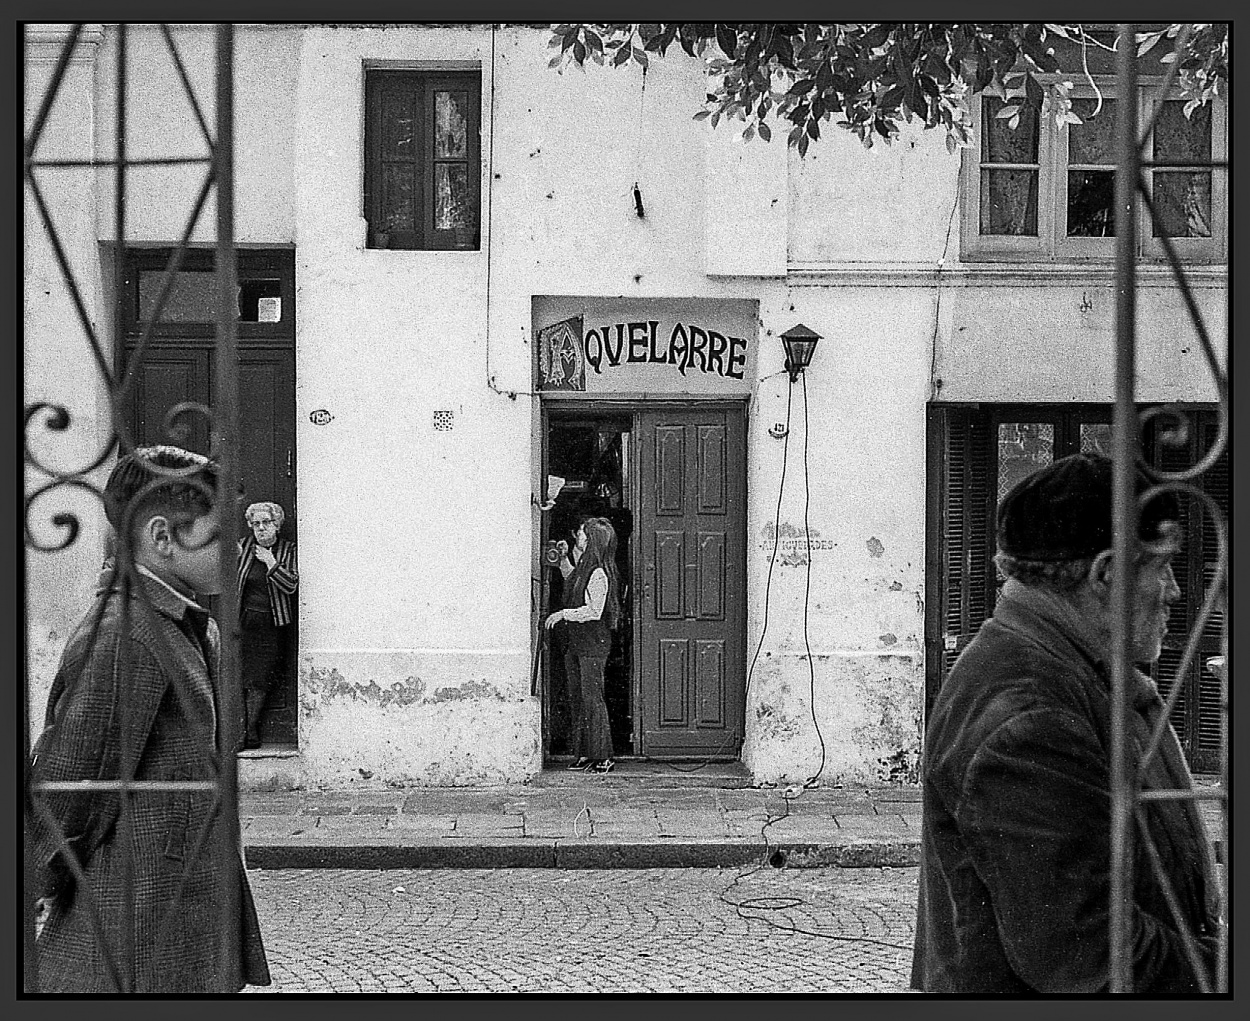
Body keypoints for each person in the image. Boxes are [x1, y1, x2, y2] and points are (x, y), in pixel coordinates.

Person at [912, 452, 1221, 994]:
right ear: (1106, 574)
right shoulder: (1030, 716)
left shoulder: (1077, 674)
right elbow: (1090, 951)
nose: (1175, 591)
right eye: (1162, 566)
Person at [28, 445, 271, 993]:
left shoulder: (183, 620)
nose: (235, 547)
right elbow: (70, 784)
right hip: (133, 921)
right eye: (221, 532)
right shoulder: (128, 633)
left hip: (176, 908)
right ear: (162, 538)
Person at [545, 517, 621, 773]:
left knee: (592, 699)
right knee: (578, 698)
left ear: (591, 540)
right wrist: (565, 560)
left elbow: (594, 610)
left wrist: (563, 614)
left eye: (581, 533)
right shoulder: (585, 567)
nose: (577, 535)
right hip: (578, 644)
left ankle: (603, 756)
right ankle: (585, 753)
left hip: (592, 644)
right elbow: (572, 579)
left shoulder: (599, 573)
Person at [235, 501, 298, 749]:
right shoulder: (244, 546)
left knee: (259, 680)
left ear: (277, 525)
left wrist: (271, 562)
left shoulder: (287, 550)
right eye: (256, 524)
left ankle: (251, 730)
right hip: (242, 623)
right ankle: (239, 732)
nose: (261, 528)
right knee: (238, 678)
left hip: (270, 625)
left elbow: (291, 585)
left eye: (266, 523)